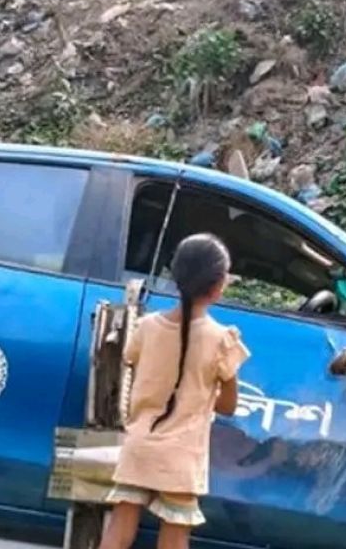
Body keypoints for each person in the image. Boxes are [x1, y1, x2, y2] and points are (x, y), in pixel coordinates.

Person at [99, 234, 251, 549]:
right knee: (175, 536)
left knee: (119, 528)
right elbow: (227, 406)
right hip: (182, 458)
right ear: (218, 286)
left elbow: (133, 362)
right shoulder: (222, 340)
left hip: (140, 445)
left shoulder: (147, 326)